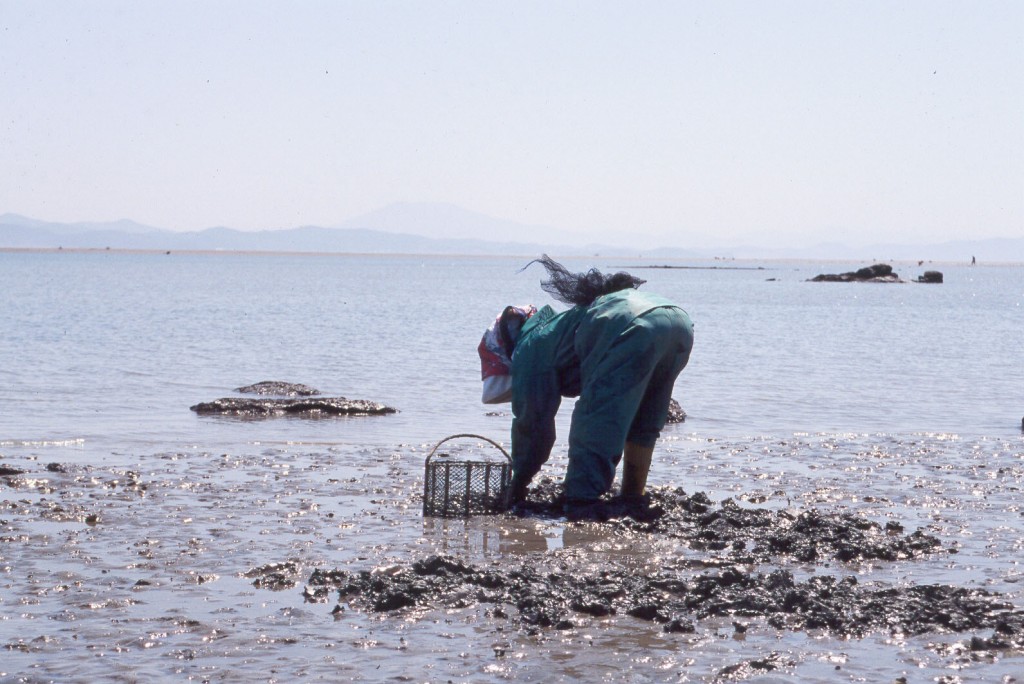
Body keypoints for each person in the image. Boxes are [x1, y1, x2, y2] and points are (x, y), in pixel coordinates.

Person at [478, 256, 694, 521]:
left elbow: (533, 424)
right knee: (645, 416)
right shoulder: (560, 325)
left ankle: (582, 501)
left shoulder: (530, 347)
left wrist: (519, 483)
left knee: (596, 417)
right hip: (677, 321)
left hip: (629, 323)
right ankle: (632, 496)